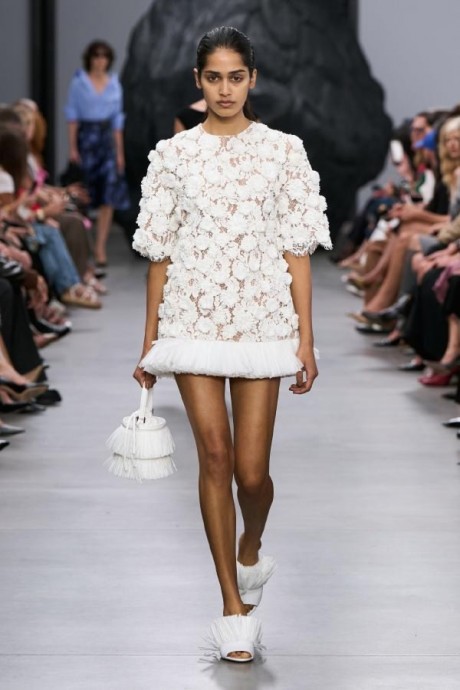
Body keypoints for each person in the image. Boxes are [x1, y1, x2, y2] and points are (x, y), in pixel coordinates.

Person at [132, 26, 331, 663]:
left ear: (253, 79)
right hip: (192, 317)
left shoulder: (284, 152)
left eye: (236, 77)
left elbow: (297, 251)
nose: (225, 89)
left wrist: (306, 340)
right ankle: (231, 606)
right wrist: (149, 344)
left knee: (252, 472)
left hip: (262, 320)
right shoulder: (173, 155)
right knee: (214, 458)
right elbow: (159, 255)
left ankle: (251, 548)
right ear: (198, 80)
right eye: (214, 78)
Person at [64, 39, 128, 269]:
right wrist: (72, 147)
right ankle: (85, 245)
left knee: (108, 194)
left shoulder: (114, 83)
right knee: (84, 193)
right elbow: (72, 116)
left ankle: (100, 247)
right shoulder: (79, 82)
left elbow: (117, 120)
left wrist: (119, 153)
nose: (100, 61)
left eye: (104, 56)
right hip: (86, 139)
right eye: (96, 56)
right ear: (89, 59)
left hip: (106, 141)